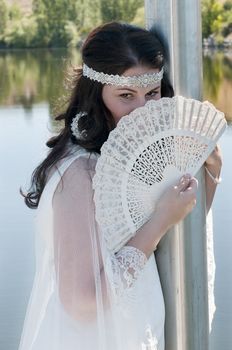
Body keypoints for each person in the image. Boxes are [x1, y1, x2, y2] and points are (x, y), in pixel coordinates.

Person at [19, 22, 222, 350]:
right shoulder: (80, 172)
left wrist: (211, 172)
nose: (142, 111)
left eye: (152, 93)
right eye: (126, 96)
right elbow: (81, 302)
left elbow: (174, 238)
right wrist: (159, 220)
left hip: (138, 331)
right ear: (96, 95)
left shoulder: (137, 161)